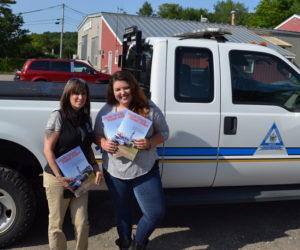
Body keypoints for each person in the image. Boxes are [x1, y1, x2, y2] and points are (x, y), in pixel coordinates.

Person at [94, 71, 169, 250]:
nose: (123, 93)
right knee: (122, 211)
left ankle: (138, 243)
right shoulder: (107, 110)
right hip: (115, 171)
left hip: (144, 169)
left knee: (155, 212)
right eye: (118, 89)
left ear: (133, 88)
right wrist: (103, 143)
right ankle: (125, 243)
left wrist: (149, 142)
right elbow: (96, 135)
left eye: (126, 88)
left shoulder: (148, 108)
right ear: (113, 92)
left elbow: (164, 132)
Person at [43, 78, 102, 250]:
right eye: (76, 93)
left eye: (83, 93)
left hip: (80, 176)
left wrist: (96, 167)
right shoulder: (58, 116)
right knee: (56, 225)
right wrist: (60, 176)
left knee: (82, 222)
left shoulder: (86, 119)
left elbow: (87, 148)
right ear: (68, 95)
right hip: (58, 179)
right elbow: (48, 150)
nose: (80, 97)